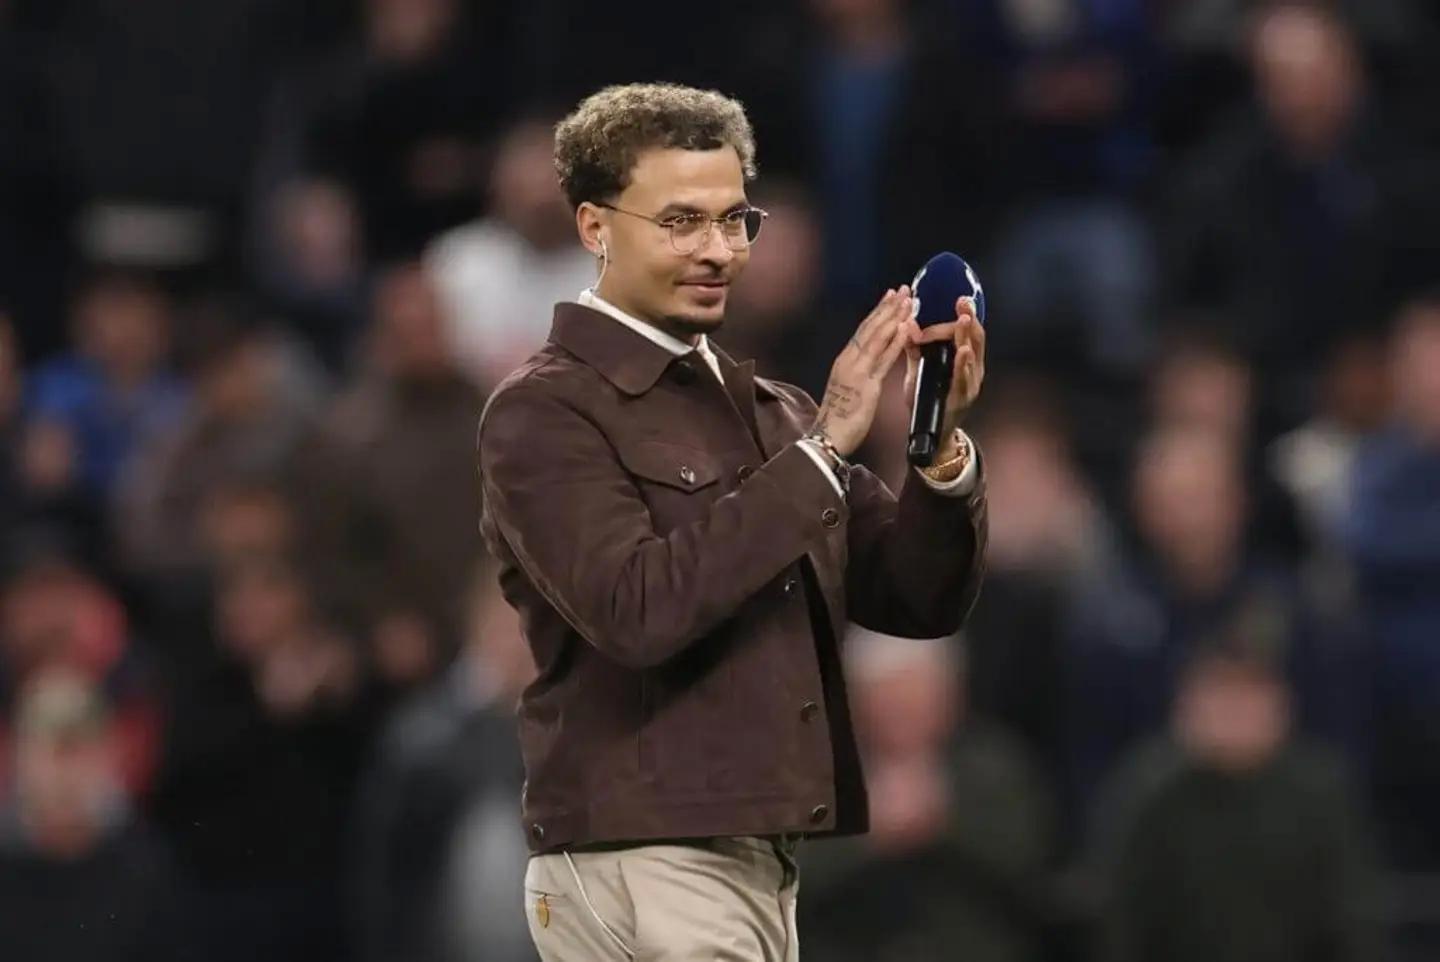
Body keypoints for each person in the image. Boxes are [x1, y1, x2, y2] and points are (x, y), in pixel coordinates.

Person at [476, 83, 989, 961]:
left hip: (744, 857)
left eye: (733, 220)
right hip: (647, 854)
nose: (717, 250)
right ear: (595, 227)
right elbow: (637, 609)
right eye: (680, 222)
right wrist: (823, 448)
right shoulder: (545, 410)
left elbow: (916, 599)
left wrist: (936, 448)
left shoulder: (775, 414)